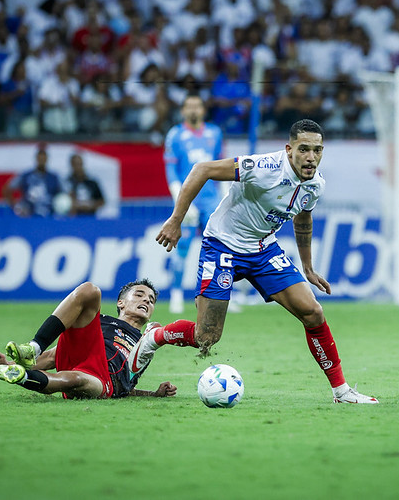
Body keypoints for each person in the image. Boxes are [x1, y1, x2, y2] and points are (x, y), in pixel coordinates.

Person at [130, 119, 379, 405]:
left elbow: (303, 219)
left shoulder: (315, 184)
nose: (311, 157)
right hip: (222, 245)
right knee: (206, 337)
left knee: (313, 312)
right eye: (304, 149)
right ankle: (155, 336)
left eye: (318, 150)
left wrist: (307, 267)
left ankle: (341, 392)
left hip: (263, 250)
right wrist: (176, 221)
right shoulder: (263, 167)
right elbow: (202, 169)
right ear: (289, 149)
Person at [0, 279, 177, 399]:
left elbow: (127, 387)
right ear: (121, 303)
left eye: (151, 300)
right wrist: (9, 361)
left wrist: (153, 394)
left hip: (105, 381)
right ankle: (34, 347)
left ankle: (20, 377)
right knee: (90, 290)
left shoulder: (146, 340)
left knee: (75, 379)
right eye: (140, 295)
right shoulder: (98, 323)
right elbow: (51, 358)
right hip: (85, 357)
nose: (146, 301)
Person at [162, 94, 224, 313]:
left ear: (203, 109)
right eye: (189, 106)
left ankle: (222, 294)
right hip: (188, 201)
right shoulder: (175, 135)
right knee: (182, 246)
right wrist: (179, 199)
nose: (193, 110)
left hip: (212, 201)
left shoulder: (215, 133)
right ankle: (176, 294)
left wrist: (224, 196)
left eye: (197, 105)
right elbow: (171, 169)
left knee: (222, 248)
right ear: (182, 111)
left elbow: (220, 166)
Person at [2, 145, 62, 217]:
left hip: (49, 216)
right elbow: (7, 190)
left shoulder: (54, 178)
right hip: (29, 216)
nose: (42, 161)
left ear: (47, 159)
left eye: (44, 158)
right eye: (40, 158)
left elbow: (64, 194)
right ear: (36, 159)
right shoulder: (25, 176)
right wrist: (17, 208)